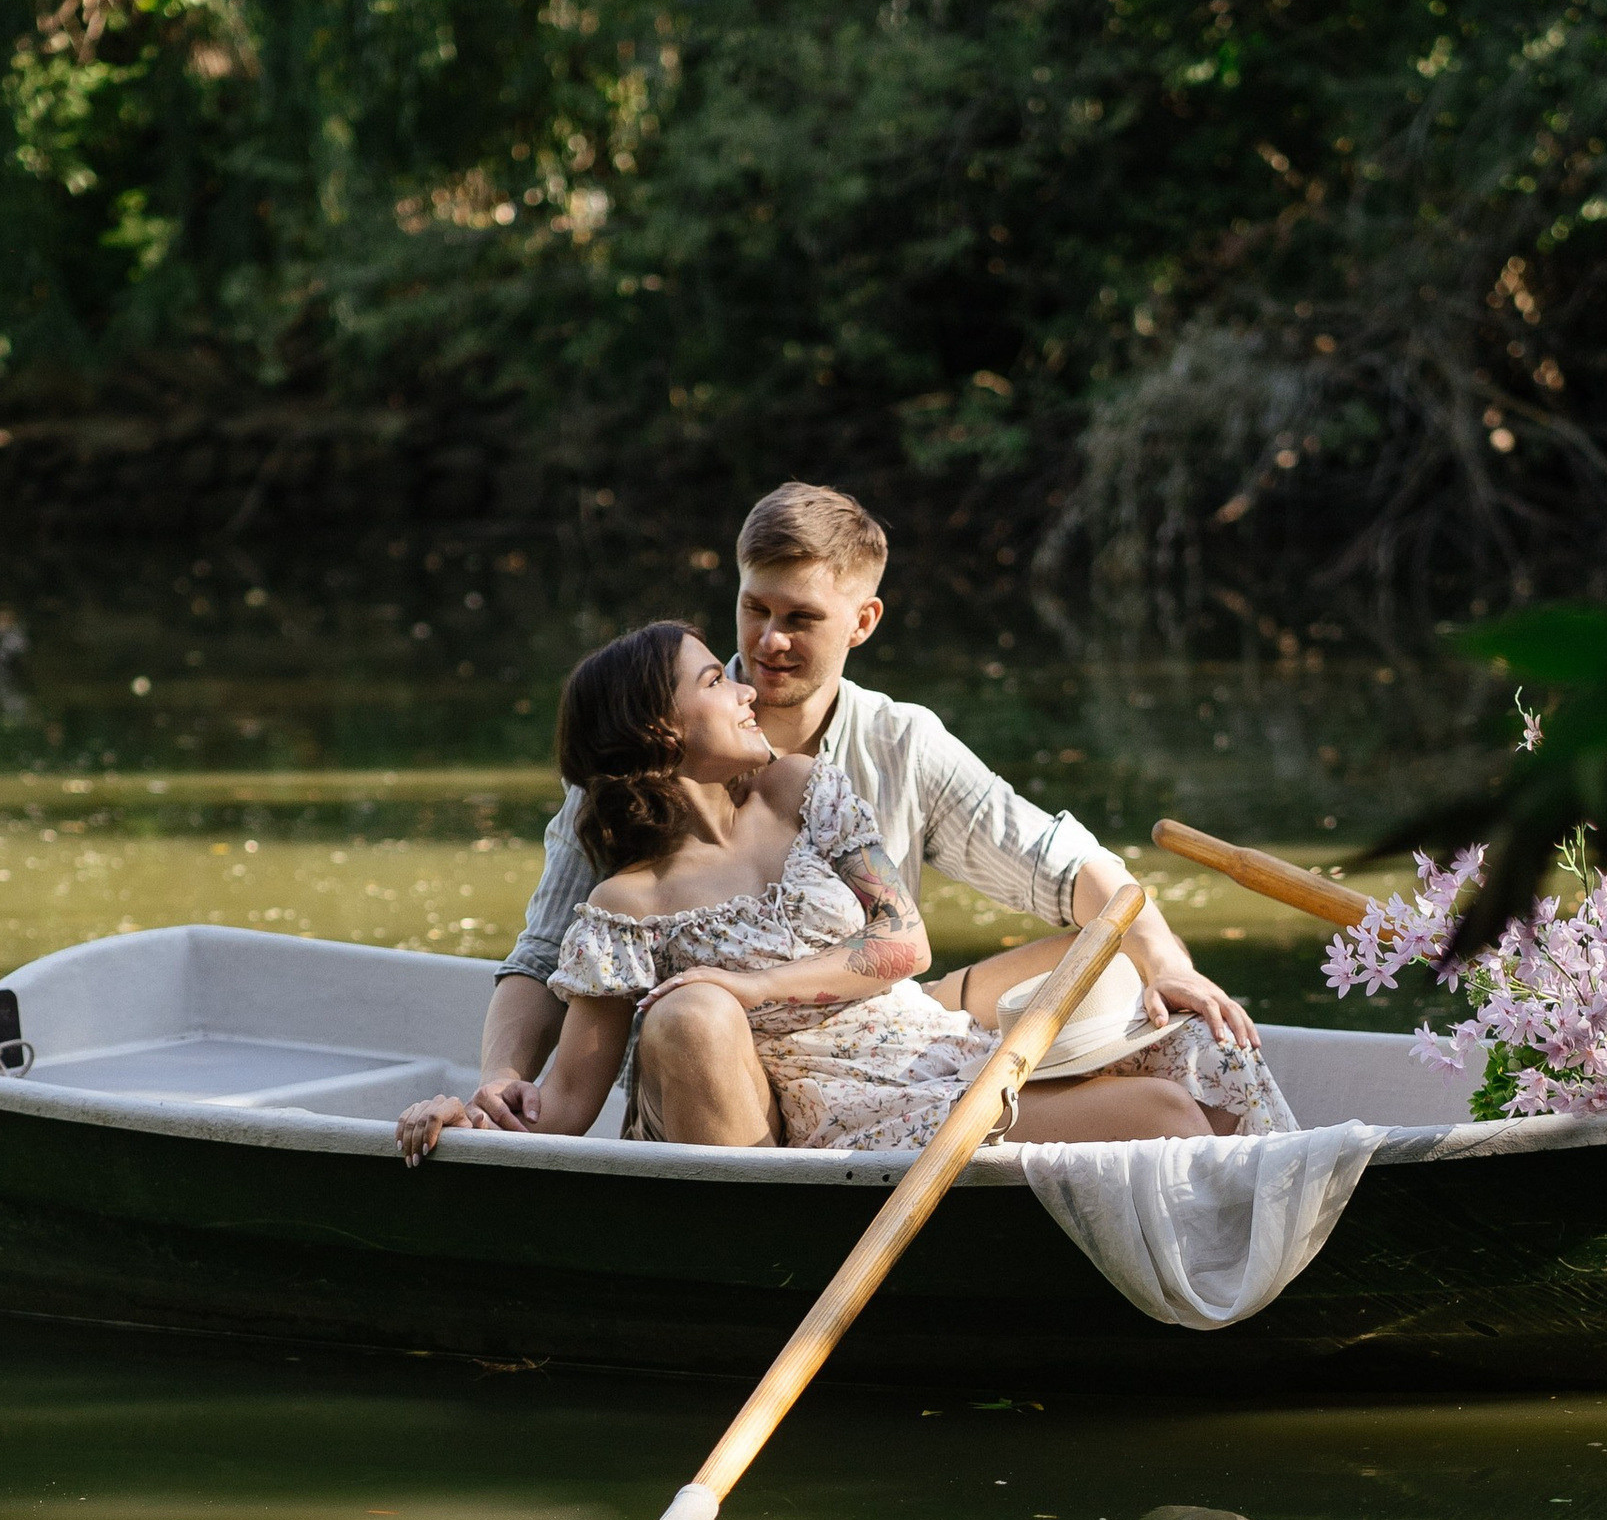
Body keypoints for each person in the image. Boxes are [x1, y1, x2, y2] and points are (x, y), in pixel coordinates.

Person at [396, 479, 1281, 1152]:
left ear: (862, 622)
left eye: (801, 619)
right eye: (753, 610)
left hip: (897, 1028)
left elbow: (1049, 868)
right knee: (686, 1015)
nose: (764, 648)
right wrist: (491, 1092)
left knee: (1155, 1011)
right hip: (739, 1084)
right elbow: (548, 963)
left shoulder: (853, 763)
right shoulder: (623, 837)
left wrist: (1166, 960)